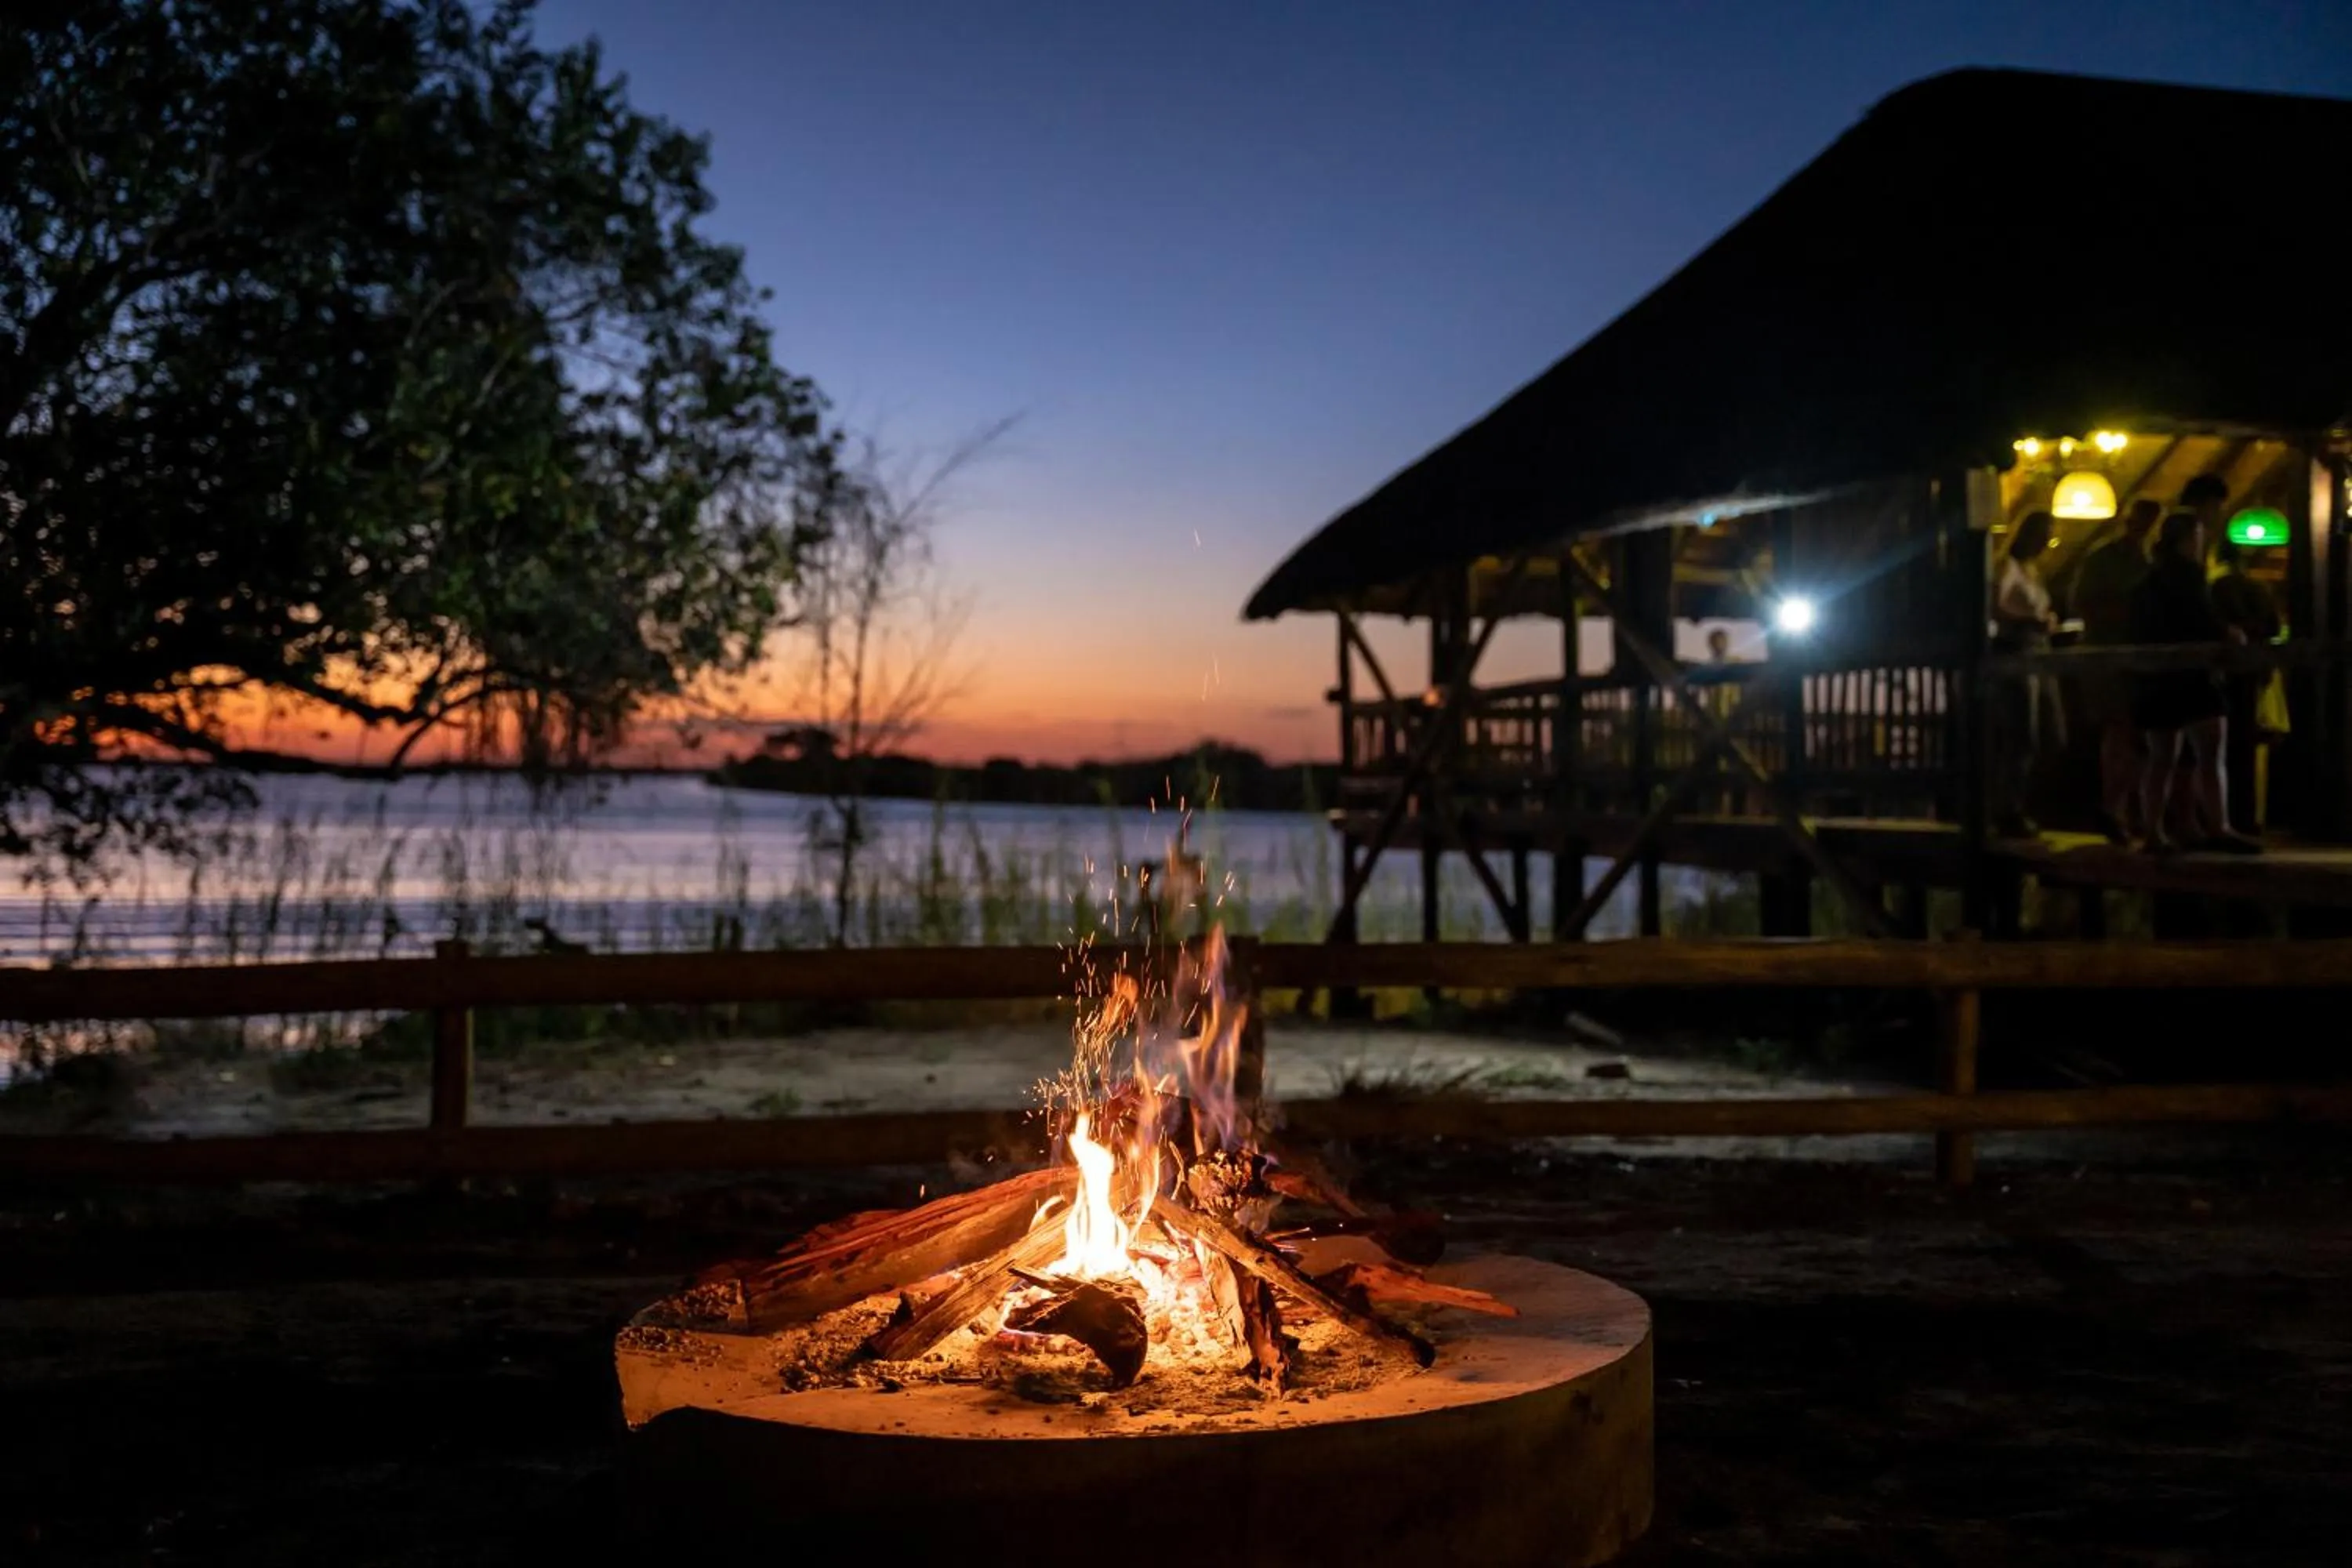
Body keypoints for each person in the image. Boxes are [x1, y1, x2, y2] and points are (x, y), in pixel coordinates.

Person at [2129, 511, 2256, 854]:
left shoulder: (2148, 581)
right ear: (2187, 540)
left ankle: (2154, 832)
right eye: (2198, 538)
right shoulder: (2189, 576)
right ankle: (2219, 826)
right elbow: (2203, 620)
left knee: (2161, 758)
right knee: (2211, 751)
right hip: (2191, 676)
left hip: (2155, 679)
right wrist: (2230, 634)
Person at [2066, 498, 2162, 841]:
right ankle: (2117, 810)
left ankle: (2126, 812)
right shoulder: (2105, 558)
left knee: (2137, 736)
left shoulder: (2152, 560)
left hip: (2140, 658)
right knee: (2123, 731)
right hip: (2110, 656)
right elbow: (2083, 603)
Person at [1989, 511, 2063, 837]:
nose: (2046, 543)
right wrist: (2027, 622)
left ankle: (2023, 804)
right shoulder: (2008, 566)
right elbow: (1995, 606)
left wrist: (2047, 619)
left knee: (2053, 733)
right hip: (2016, 651)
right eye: (2043, 534)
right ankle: (2008, 809)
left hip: (2040, 652)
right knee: (2023, 735)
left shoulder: (2033, 571)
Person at [2208, 536, 2282, 836]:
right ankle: (2248, 816)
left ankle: (2225, 818)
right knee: (2246, 748)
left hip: (2222, 674)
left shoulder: (2215, 588)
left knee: (2219, 751)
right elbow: (2275, 627)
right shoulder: (2258, 588)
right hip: (2253, 672)